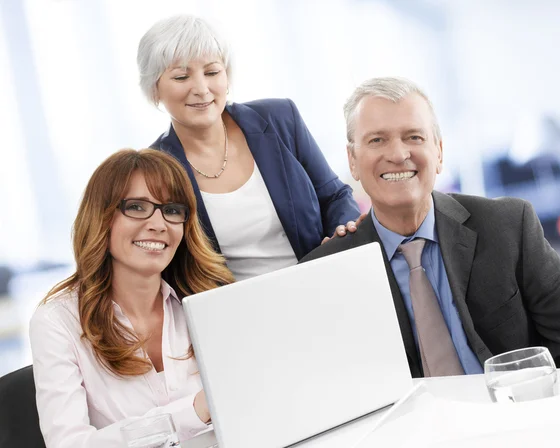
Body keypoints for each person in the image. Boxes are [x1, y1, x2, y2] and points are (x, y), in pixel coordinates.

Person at [302, 77, 560, 378]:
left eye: (414, 137)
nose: (397, 154)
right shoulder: (329, 270)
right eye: (377, 140)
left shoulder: (509, 226)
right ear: (352, 160)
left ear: (440, 152)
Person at [29, 149, 235, 448]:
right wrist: (193, 412)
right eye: (137, 207)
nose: (159, 223)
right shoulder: (58, 321)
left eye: (172, 210)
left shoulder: (209, 299)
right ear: (102, 218)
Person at [137, 15, 362, 281]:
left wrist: (342, 236)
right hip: (235, 311)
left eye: (212, 72)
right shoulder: (155, 168)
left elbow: (335, 196)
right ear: (154, 90)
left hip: (321, 281)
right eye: (182, 76)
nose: (201, 88)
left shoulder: (280, 118)